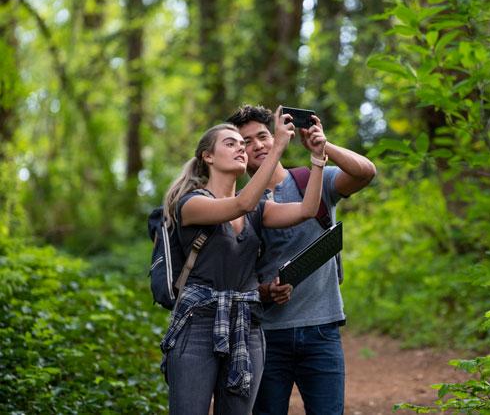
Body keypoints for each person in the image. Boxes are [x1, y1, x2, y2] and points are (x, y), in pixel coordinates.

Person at [159, 107, 327, 415]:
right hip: (197, 326)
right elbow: (240, 202)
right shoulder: (192, 204)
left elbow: (307, 209)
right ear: (208, 157)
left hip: (246, 326)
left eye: (243, 143)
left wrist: (317, 160)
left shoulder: (258, 210)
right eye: (231, 143)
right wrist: (277, 145)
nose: (242, 148)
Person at [227, 105, 376, 415]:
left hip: (322, 329)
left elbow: (365, 172)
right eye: (246, 142)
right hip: (266, 335)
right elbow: (235, 273)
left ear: (276, 138)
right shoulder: (239, 205)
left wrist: (323, 146)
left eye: (263, 137)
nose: (258, 146)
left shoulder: (312, 178)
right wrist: (266, 291)